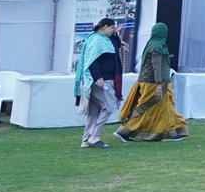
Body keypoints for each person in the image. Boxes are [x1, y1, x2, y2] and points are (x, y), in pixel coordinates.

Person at [115, 22, 188, 142]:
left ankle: (170, 132)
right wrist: (159, 86)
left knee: (164, 108)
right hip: (153, 84)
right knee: (147, 109)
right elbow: (156, 67)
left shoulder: (151, 44)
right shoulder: (158, 47)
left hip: (152, 82)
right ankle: (124, 131)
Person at [73, 17, 121, 148]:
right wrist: (98, 77)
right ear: (104, 27)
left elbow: (116, 47)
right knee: (110, 106)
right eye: (112, 28)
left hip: (98, 80)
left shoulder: (103, 40)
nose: (113, 30)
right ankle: (94, 136)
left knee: (94, 112)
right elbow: (91, 60)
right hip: (100, 81)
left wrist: (115, 34)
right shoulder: (97, 40)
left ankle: (86, 139)